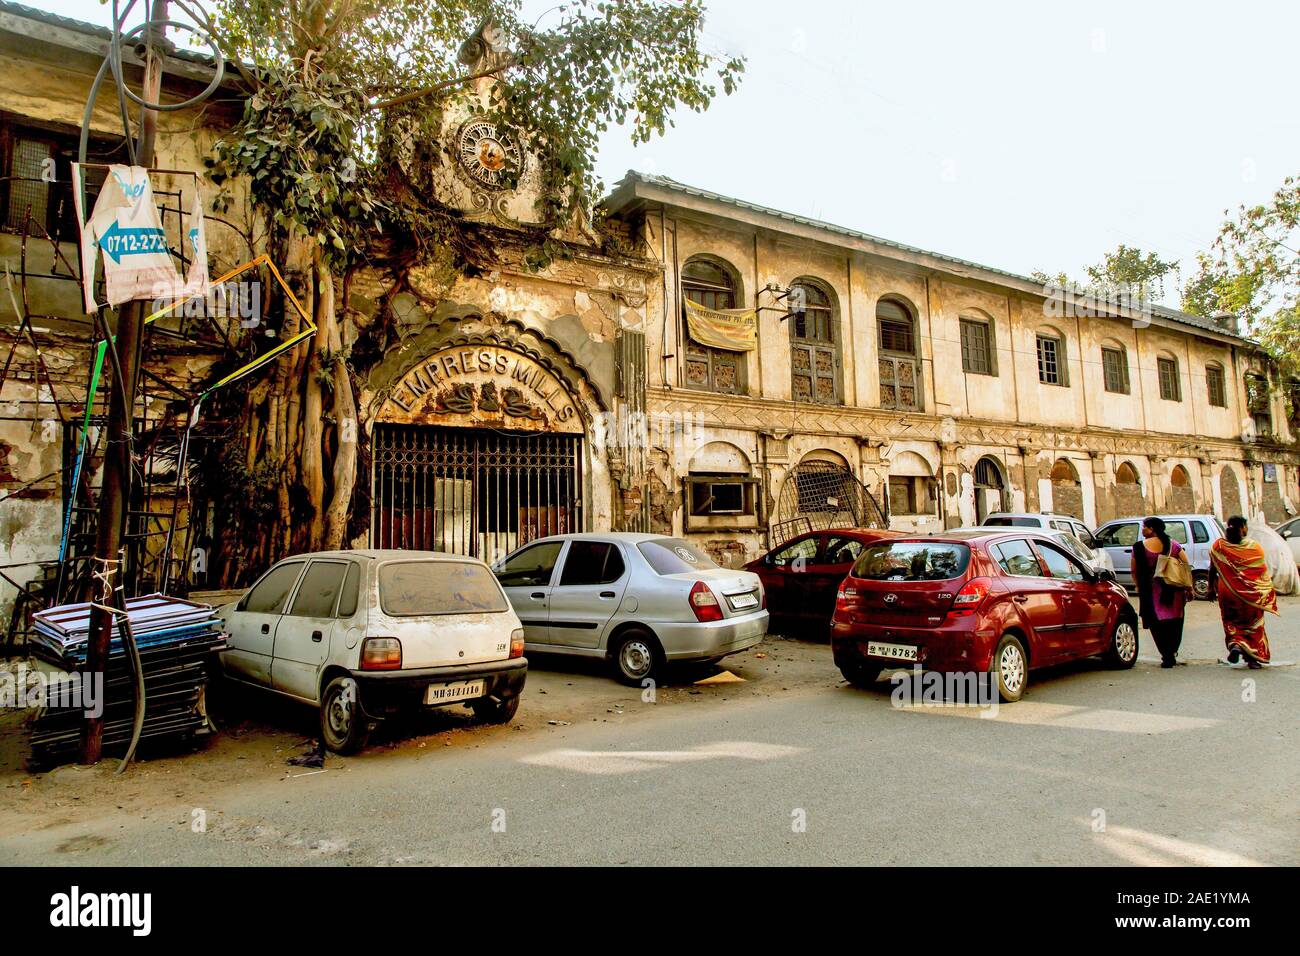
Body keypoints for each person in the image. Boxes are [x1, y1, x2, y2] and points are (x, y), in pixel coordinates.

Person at [1208, 515, 1277, 669]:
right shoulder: (1254, 547)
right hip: (1249, 593)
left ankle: (1236, 645)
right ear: (1242, 528)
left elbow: (1213, 569)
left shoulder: (1218, 546)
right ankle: (1253, 659)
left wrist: (1209, 589)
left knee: (1231, 621)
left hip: (1227, 590)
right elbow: (1260, 572)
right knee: (1253, 624)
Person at [1131, 516, 1190, 668]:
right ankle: (1172, 651)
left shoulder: (1138, 547)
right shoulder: (1173, 544)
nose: (1142, 529)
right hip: (1173, 590)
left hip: (1150, 591)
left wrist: (1137, 586)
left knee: (1156, 623)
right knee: (1175, 621)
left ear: (1152, 529)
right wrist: (1187, 586)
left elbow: (1134, 570)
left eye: (1144, 527)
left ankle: (1166, 654)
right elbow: (1185, 563)